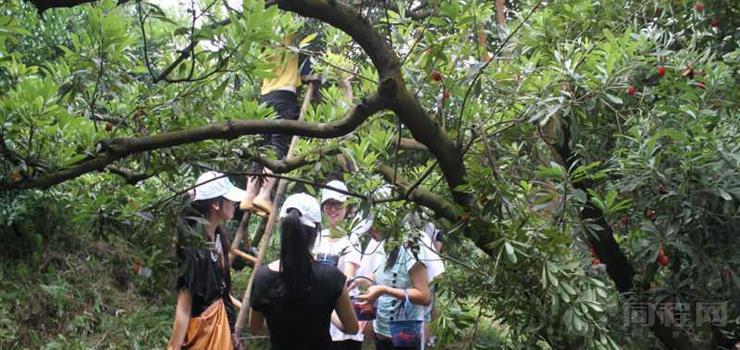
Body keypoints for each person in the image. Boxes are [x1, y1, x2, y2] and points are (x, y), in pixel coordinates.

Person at [249, 193, 359, 350]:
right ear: (315, 233)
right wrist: (328, 314)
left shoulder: (263, 277)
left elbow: (255, 327)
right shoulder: (332, 277)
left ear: (283, 228)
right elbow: (352, 328)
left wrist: (281, 328)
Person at [241, 22, 313, 217]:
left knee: (262, 149)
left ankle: (249, 195)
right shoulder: (287, 34)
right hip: (284, 98)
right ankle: (264, 195)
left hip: (265, 98)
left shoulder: (261, 40)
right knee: (278, 147)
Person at [168, 171, 246, 350]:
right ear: (215, 204)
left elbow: (223, 291)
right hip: (203, 335)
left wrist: (231, 331)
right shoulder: (194, 247)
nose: (234, 203)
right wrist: (174, 346)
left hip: (218, 330)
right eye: (229, 199)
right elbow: (184, 305)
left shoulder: (218, 238)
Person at [313, 180, 366, 350]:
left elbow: (348, 280)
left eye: (338, 204)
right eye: (328, 204)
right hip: (319, 321)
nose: (333, 209)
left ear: (347, 207)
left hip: (343, 320)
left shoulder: (352, 239)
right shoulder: (317, 237)